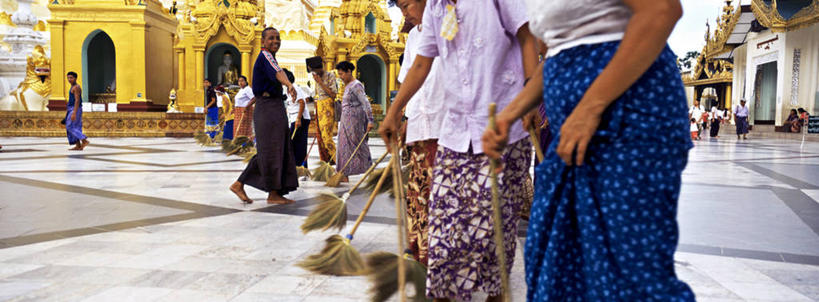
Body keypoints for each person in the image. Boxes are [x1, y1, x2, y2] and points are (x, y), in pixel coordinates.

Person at [481, 0, 696, 300]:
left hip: (628, 117)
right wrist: (509, 114)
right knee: (557, 263)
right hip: (573, 129)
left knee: (629, 272)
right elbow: (560, 53)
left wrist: (591, 106)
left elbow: (661, 11)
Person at [379, 0, 539, 299]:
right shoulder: (437, 10)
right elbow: (421, 64)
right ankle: (442, 294)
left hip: (503, 127)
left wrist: (530, 95)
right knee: (443, 230)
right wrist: (394, 111)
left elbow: (528, 37)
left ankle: (496, 294)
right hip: (455, 134)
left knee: (495, 227)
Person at [392, 0, 447, 265]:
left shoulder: (448, 23)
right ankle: (418, 245)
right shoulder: (413, 36)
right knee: (418, 190)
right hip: (419, 123)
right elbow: (409, 78)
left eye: (407, 5)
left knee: (441, 193)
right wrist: (402, 115)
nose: (405, 13)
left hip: (446, 121)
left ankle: (438, 250)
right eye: (400, 8)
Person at [230, 27, 299, 205]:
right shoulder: (266, 55)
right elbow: (279, 72)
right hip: (268, 108)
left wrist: (286, 86)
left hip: (273, 106)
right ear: (263, 41)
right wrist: (289, 85)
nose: (275, 41)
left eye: (277, 38)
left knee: (276, 147)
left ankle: (242, 184)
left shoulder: (270, 57)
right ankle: (272, 193)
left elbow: (276, 72)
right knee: (272, 149)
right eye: (271, 38)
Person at [335, 61, 374, 182]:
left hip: (355, 121)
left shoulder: (356, 85)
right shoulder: (347, 85)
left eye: (342, 74)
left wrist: (370, 120)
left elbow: (365, 103)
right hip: (346, 120)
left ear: (349, 71)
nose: (340, 77)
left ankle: (370, 171)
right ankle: (343, 173)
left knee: (358, 144)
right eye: (339, 75)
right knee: (343, 146)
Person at [309, 58, 338, 164]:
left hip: (328, 105)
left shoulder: (330, 75)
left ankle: (337, 160)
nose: (317, 72)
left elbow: (333, 94)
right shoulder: (315, 76)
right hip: (319, 105)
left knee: (326, 136)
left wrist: (320, 82)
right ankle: (327, 161)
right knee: (320, 137)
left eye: (318, 69)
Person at [283, 68, 312, 168]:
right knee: (294, 143)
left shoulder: (294, 87)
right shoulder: (287, 89)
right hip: (294, 118)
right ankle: (297, 166)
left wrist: (298, 119)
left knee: (299, 144)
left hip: (301, 118)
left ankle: (302, 168)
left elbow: (302, 102)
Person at [65, 71, 89, 151]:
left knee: (70, 126)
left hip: (75, 108)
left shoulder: (76, 87)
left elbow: (77, 100)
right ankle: (78, 145)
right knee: (75, 126)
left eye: (71, 77)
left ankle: (84, 140)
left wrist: (74, 112)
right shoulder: (72, 87)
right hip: (71, 108)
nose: (69, 79)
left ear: (75, 78)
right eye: (68, 77)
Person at [233, 75, 255, 140]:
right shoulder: (241, 90)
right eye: (239, 81)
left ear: (246, 82)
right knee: (237, 128)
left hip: (245, 111)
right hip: (238, 111)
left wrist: (247, 106)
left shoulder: (247, 89)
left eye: (242, 81)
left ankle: (245, 142)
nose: (240, 83)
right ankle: (237, 143)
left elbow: (254, 98)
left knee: (243, 128)